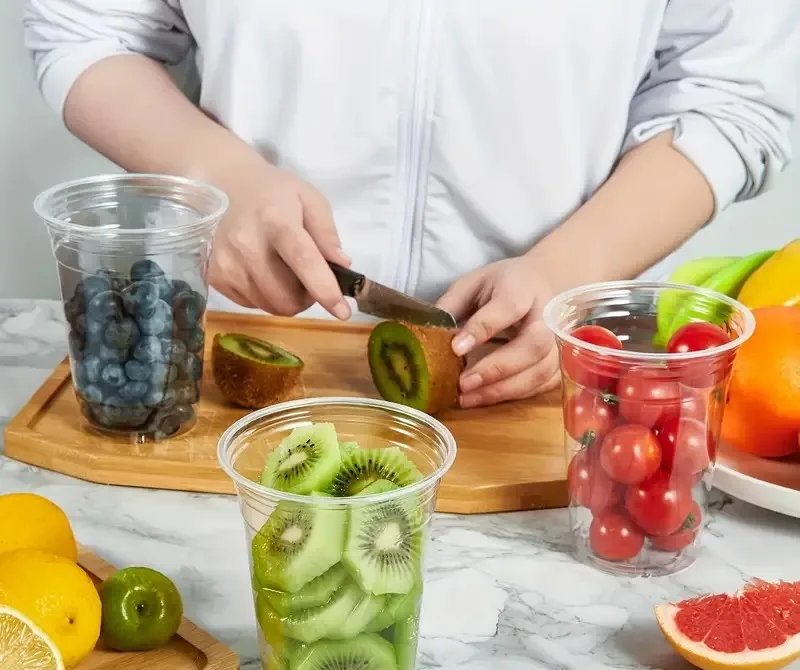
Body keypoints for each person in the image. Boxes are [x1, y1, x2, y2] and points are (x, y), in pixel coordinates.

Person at [22, 1, 800, 409]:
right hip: (247, 362)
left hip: (558, 383)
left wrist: (576, 268)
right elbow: (86, 27)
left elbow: (734, 94)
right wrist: (212, 173)